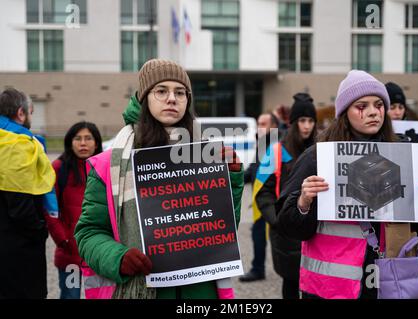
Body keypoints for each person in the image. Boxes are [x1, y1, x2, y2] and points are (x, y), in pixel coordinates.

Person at [74, 59, 244, 299]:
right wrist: (117, 257)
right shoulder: (108, 164)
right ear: (144, 98)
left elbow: (223, 231)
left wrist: (233, 179)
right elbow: (88, 233)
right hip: (142, 288)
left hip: (200, 291)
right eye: (161, 91)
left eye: (180, 92)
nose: (172, 98)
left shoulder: (206, 155)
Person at [276, 70, 418, 299]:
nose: (372, 112)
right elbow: (287, 226)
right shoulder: (316, 157)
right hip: (332, 289)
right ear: (345, 112)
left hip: (393, 283)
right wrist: (303, 202)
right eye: (361, 106)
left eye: (378, 105)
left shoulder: (406, 155)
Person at [254, 93, 317, 298]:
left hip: (316, 232)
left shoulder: (323, 149)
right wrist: (277, 220)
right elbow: (262, 192)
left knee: (314, 285)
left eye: (311, 121)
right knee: (290, 283)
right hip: (285, 233)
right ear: (293, 122)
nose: (307, 126)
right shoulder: (276, 151)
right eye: (302, 120)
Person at [0, 88, 55, 298]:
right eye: (31, 112)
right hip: (17, 249)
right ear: (21, 113)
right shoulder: (17, 144)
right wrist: (40, 230)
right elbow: (20, 204)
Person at [44, 121, 102, 299]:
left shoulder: (104, 167)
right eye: (78, 138)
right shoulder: (58, 168)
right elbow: (50, 209)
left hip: (99, 254)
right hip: (70, 254)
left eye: (88, 138)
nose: (83, 143)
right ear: (70, 142)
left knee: (100, 295)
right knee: (70, 296)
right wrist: (63, 240)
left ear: (97, 142)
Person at [240, 112, 279, 282]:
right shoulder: (262, 144)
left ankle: (292, 272)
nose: (259, 127)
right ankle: (258, 269)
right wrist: (231, 177)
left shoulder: (278, 145)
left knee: (284, 238)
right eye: (258, 123)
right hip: (260, 200)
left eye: (263, 123)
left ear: (274, 127)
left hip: (275, 200)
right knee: (258, 234)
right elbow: (252, 170)